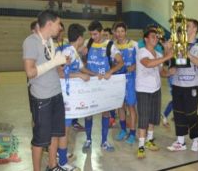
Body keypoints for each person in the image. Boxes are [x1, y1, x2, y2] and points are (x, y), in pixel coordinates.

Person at [23, 10, 68, 171]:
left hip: (56, 93)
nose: (59, 28)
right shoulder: (31, 42)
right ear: (49, 24)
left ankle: (52, 165)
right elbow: (30, 72)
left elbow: (52, 65)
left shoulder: (49, 40)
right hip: (42, 97)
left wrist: (60, 65)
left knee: (56, 133)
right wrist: (53, 63)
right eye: (58, 24)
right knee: (40, 139)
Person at [81, 20, 124, 152]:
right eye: (91, 34)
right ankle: (88, 139)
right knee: (88, 113)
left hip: (104, 84)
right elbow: (83, 61)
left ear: (101, 32)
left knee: (105, 112)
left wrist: (110, 72)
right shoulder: (88, 43)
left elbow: (120, 62)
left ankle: (104, 141)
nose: (93, 37)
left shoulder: (109, 45)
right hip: (90, 82)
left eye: (95, 34)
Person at [167, 19, 198, 152]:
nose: (184, 28)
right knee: (178, 113)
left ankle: (195, 139)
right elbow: (173, 67)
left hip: (192, 85)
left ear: (195, 28)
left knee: (191, 114)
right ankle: (180, 142)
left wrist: (188, 54)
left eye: (187, 26)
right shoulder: (178, 45)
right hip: (177, 84)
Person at [57, 23, 90, 170]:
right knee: (65, 129)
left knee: (67, 129)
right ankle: (62, 161)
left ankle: (61, 154)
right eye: (83, 36)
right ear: (80, 38)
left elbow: (84, 69)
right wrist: (79, 75)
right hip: (65, 97)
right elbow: (59, 73)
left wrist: (98, 76)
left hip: (72, 97)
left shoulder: (75, 52)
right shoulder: (67, 52)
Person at [136, 28, 173, 159]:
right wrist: (167, 56)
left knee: (153, 117)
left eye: (157, 37)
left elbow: (160, 71)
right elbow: (148, 64)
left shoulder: (158, 53)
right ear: (146, 39)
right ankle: (140, 146)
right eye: (153, 37)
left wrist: (168, 73)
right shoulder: (142, 52)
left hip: (156, 89)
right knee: (143, 118)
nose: (155, 39)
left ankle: (149, 141)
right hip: (143, 90)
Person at [113, 22, 138, 144]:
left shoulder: (134, 45)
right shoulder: (112, 46)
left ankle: (132, 133)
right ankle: (123, 130)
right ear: (114, 33)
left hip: (131, 81)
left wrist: (134, 66)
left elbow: (141, 60)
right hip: (118, 81)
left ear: (126, 32)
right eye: (117, 31)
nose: (120, 34)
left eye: (122, 31)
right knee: (120, 106)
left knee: (131, 106)